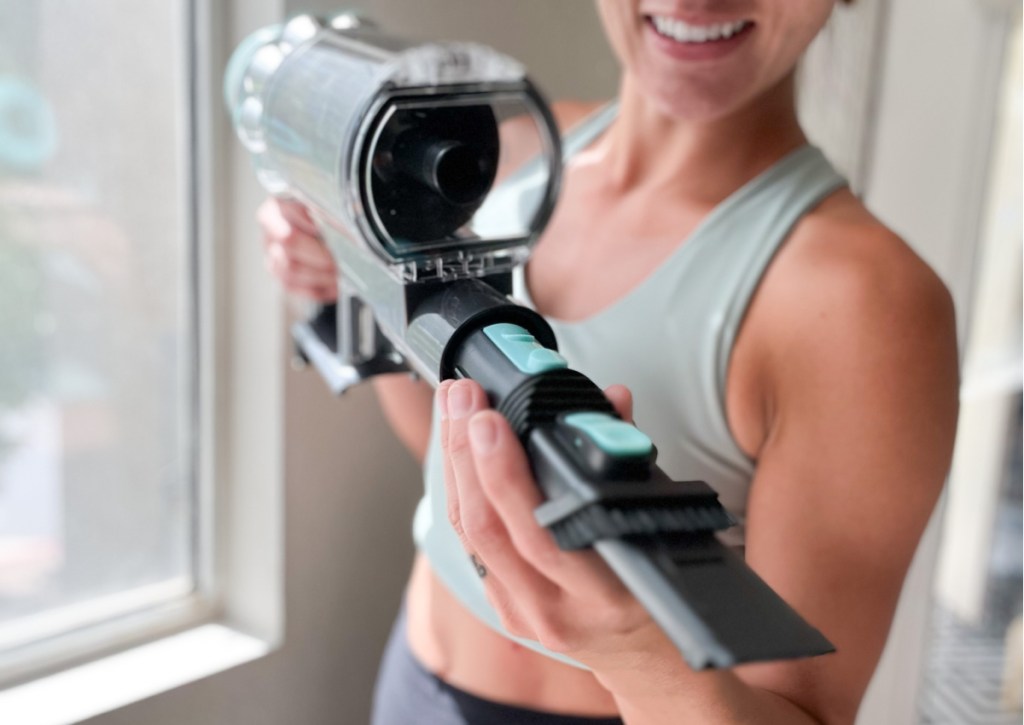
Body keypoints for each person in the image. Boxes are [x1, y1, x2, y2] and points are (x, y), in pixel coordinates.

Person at [258, 2, 959, 722]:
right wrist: (350, 272)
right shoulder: (515, 153)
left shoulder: (867, 306)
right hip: (410, 683)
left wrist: (631, 652)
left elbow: (803, 709)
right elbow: (442, 456)